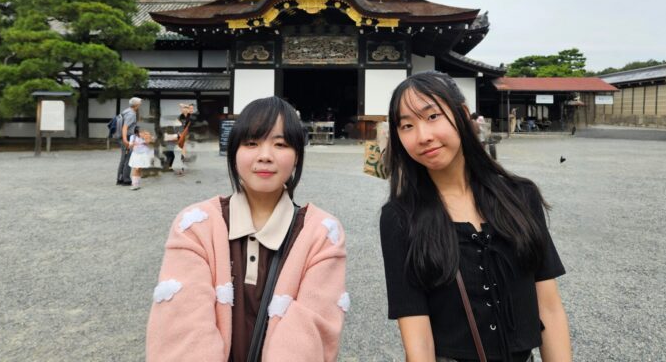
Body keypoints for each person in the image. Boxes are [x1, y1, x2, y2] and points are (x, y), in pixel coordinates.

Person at [379, 71, 571, 362]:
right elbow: (417, 338)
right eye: (407, 125)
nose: (423, 136)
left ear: (463, 114)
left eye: (432, 117)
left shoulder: (520, 197)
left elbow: (549, 308)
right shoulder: (400, 218)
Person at [147, 96, 348, 361]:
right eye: (251, 143)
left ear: (297, 155)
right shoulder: (195, 226)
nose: (265, 156)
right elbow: (184, 327)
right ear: (233, 152)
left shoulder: (322, 234)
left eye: (280, 144)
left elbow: (307, 332)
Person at [116, 97, 142, 186]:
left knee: (124, 158)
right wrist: (125, 140)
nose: (140, 105)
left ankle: (120, 178)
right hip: (127, 137)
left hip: (124, 137)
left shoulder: (126, 111)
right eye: (139, 103)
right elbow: (125, 127)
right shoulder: (131, 114)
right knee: (128, 158)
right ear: (136, 105)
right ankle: (126, 179)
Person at [128, 126, 154, 190]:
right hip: (136, 154)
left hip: (144, 154)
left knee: (139, 169)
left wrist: (147, 141)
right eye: (141, 132)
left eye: (143, 132)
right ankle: (135, 184)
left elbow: (152, 144)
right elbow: (129, 146)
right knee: (136, 169)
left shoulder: (146, 136)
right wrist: (133, 144)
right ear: (137, 133)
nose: (143, 133)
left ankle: (137, 183)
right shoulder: (133, 137)